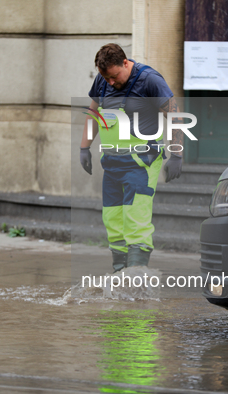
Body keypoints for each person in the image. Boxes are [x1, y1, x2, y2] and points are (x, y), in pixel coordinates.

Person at [80, 43, 183, 272]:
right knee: (113, 219)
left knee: (135, 219)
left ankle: (136, 278)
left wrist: (176, 153)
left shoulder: (149, 80)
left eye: (115, 77)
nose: (111, 83)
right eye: (106, 78)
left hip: (141, 163)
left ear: (125, 63)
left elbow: (175, 114)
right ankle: (120, 274)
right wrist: (84, 147)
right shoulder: (103, 80)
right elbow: (94, 113)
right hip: (113, 163)